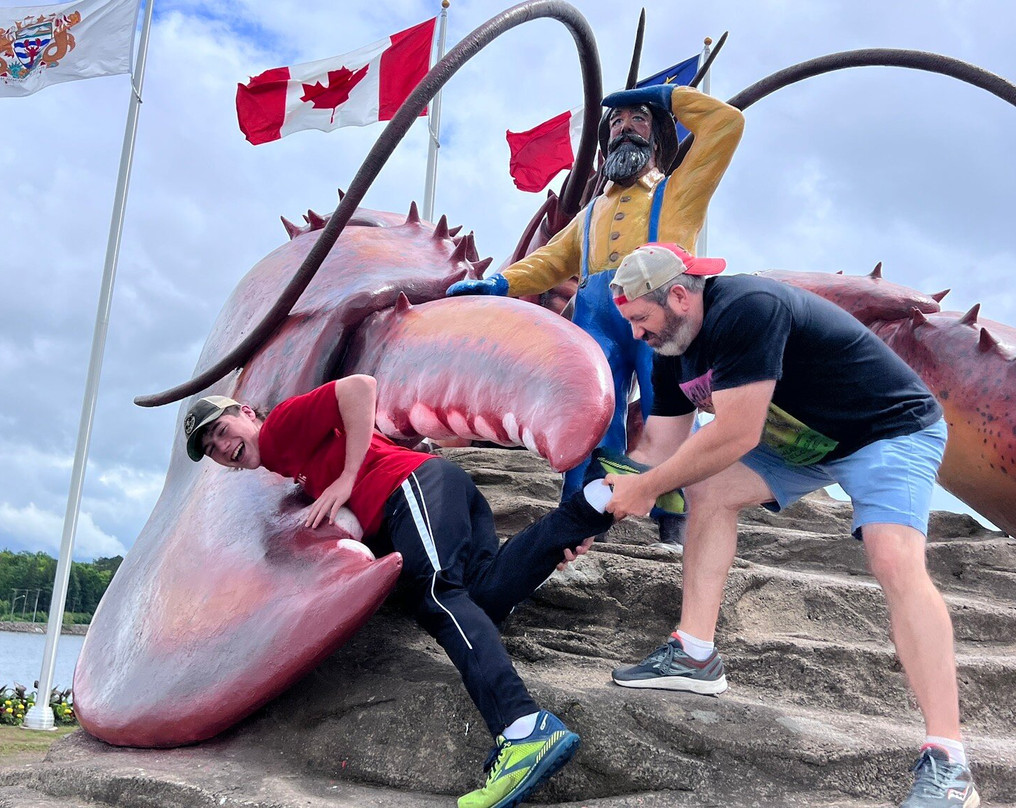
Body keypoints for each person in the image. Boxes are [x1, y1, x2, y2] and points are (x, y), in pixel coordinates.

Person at [599, 242, 978, 808]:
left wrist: (645, 488)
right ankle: (695, 654)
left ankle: (950, 763)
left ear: (679, 295)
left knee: (893, 556)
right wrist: (591, 509)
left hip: (885, 428)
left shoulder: (748, 307)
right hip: (800, 436)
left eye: (639, 320)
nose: (635, 335)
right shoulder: (670, 344)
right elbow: (660, 449)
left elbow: (735, 435)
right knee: (708, 489)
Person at [183, 375, 615, 808]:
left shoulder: (279, 427)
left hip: (408, 489)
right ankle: (587, 509)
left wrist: (348, 478)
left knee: (436, 597)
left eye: (221, 432)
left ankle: (523, 728)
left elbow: (357, 388)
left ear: (246, 413)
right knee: (479, 600)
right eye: (211, 450)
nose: (222, 448)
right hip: (439, 490)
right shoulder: (281, 457)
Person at [447, 83, 743, 549]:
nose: (625, 129)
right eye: (616, 124)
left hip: (660, 313)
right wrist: (500, 283)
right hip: (596, 319)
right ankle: (582, 506)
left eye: (638, 120)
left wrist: (668, 95)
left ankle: (675, 513)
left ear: (658, 134)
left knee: (666, 409)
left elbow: (727, 123)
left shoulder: (678, 191)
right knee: (592, 409)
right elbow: (550, 260)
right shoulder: (589, 214)